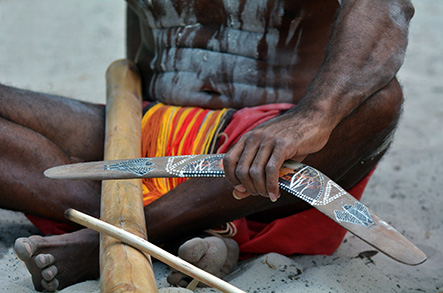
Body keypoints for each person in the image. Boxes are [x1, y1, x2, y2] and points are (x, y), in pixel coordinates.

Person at [0, 0, 414, 291]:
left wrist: (312, 118)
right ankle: (186, 225)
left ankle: (107, 239)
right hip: (154, 126)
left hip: (275, 143)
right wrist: (131, 126)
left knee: (381, 100)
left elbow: (383, 7)